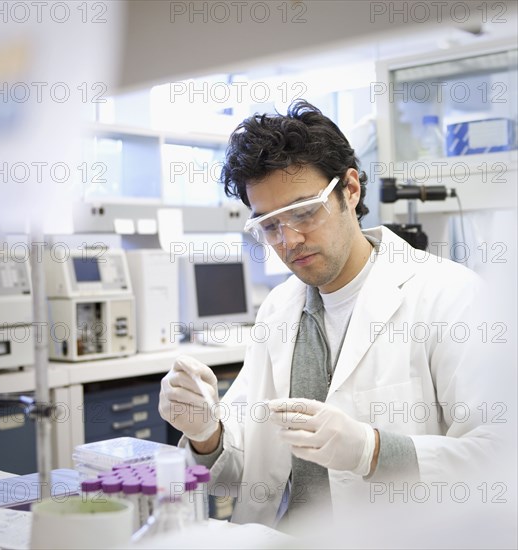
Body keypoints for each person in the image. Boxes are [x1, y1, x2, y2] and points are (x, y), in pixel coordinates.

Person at [158, 100, 502, 537]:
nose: (289, 240)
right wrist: (206, 432)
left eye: (304, 212)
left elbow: (495, 460)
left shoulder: (449, 295)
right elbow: (243, 470)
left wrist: (371, 451)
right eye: (268, 225)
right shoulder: (280, 309)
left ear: (351, 190)